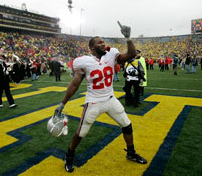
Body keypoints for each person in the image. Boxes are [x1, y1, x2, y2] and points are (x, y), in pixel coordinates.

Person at [54, 22, 147, 173]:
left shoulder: (111, 54)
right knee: (81, 133)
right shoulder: (83, 61)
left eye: (104, 42)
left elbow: (130, 54)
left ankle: (131, 153)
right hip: (94, 102)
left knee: (127, 125)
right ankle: (69, 156)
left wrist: (128, 38)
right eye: (100, 43)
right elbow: (75, 84)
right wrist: (62, 103)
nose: (103, 44)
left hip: (110, 99)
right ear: (92, 48)